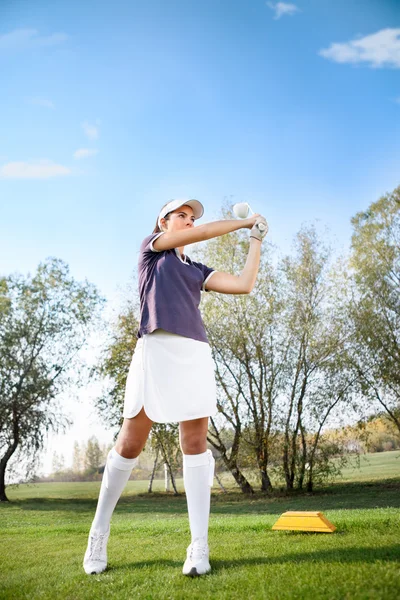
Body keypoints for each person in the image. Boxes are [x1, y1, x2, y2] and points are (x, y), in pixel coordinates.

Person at [83, 198, 268, 577]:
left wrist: (256, 240)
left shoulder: (197, 269)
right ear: (162, 223)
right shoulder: (152, 250)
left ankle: (199, 546)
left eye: (191, 216)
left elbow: (244, 285)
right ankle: (98, 534)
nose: (187, 221)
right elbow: (201, 233)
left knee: (195, 443)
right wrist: (242, 222)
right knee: (131, 442)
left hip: (194, 354)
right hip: (156, 348)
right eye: (180, 216)